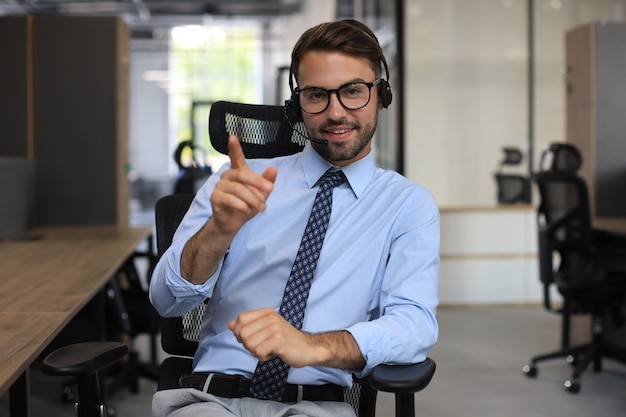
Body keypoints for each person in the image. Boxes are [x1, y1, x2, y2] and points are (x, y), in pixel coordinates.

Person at [149, 19, 440, 417]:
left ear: (381, 96)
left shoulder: (407, 206)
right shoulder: (238, 183)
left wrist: (310, 346)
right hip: (212, 401)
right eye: (317, 95)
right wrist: (217, 232)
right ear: (296, 105)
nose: (336, 112)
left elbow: (414, 327)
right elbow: (166, 302)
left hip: (317, 406)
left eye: (353, 91)